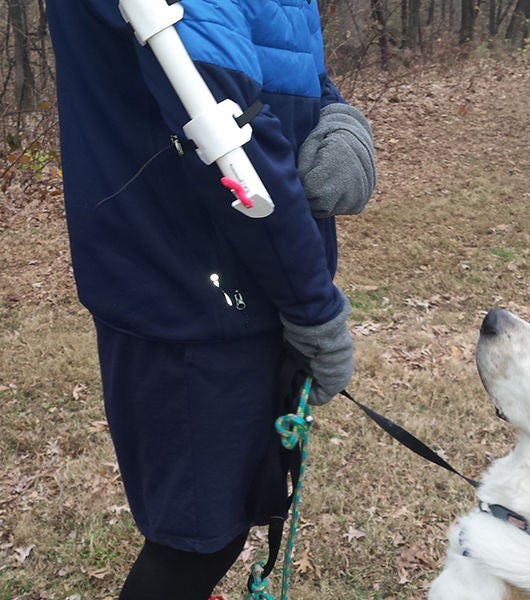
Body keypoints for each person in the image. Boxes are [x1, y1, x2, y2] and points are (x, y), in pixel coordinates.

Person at [45, 1, 376, 599]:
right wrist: (314, 309)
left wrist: (337, 112)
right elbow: (225, 137)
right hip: (193, 297)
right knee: (196, 540)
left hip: (240, 290)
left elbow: (275, 56)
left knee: (225, 519)